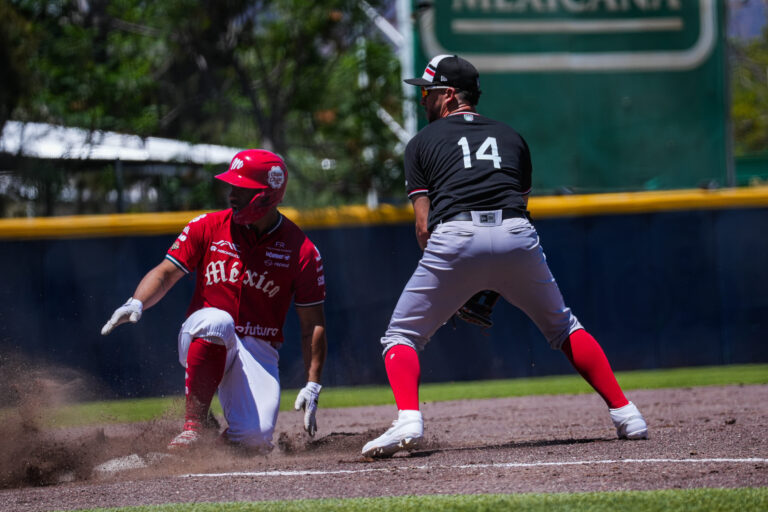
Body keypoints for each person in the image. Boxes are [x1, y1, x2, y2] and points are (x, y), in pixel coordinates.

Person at [362, 55, 648, 458]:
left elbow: (424, 228)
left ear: (446, 96)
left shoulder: (421, 143)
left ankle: (409, 418)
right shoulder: (512, 137)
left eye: (426, 92)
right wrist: (492, 278)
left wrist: (458, 282)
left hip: (454, 235)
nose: (422, 100)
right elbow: (518, 207)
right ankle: (627, 414)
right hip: (516, 233)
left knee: (401, 336)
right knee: (565, 327)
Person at [102, 149, 328, 453]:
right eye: (231, 186)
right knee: (218, 320)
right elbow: (166, 273)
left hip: (258, 347)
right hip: (204, 332)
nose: (232, 195)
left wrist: (313, 383)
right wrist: (137, 301)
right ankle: (193, 426)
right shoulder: (207, 226)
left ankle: (211, 443)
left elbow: (312, 325)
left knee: (255, 439)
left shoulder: (301, 250)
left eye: (242, 189)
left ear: (266, 195)